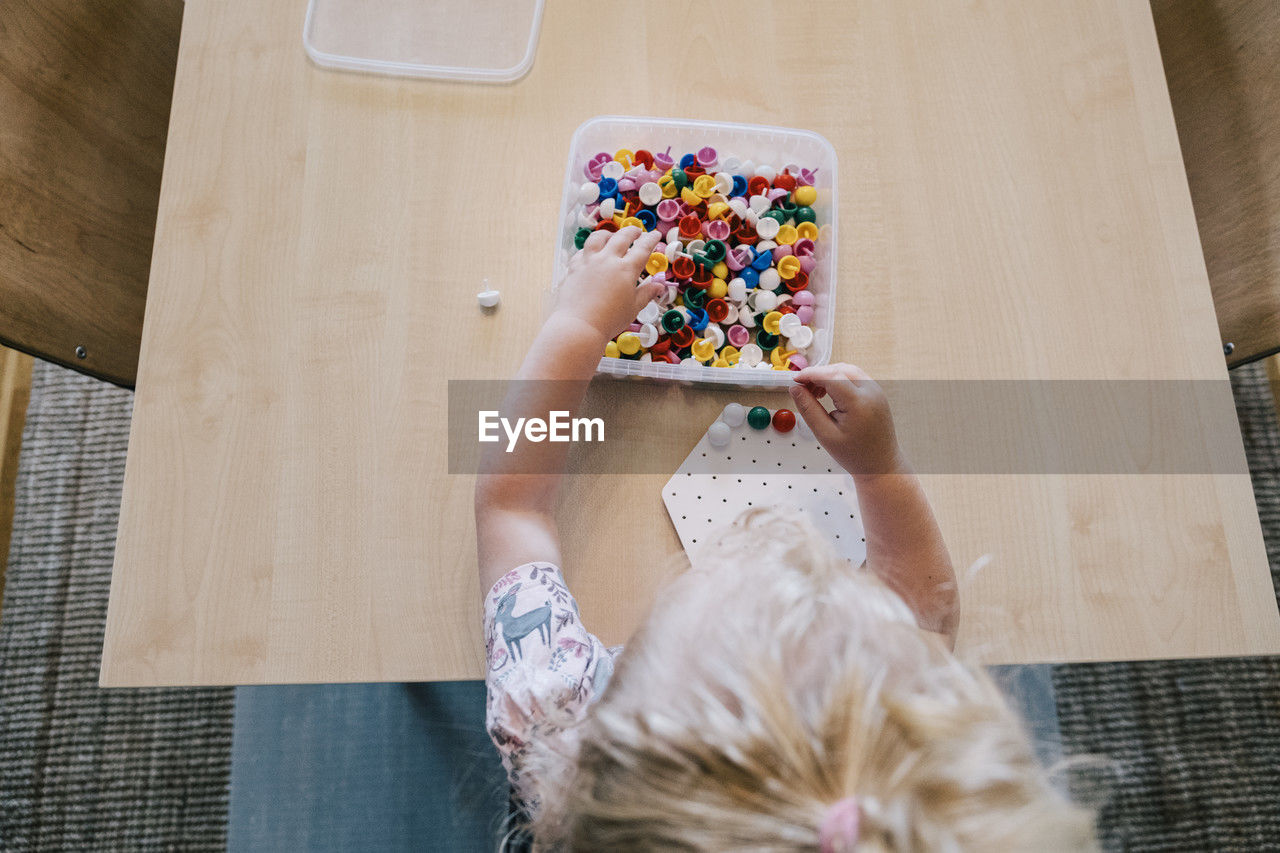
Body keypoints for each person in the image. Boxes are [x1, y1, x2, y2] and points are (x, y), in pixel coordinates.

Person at [475, 225, 1095, 851]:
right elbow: (924, 613)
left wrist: (576, 328)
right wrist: (880, 470)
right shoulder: (900, 716)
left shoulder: (556, 722)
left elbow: (512, 505)